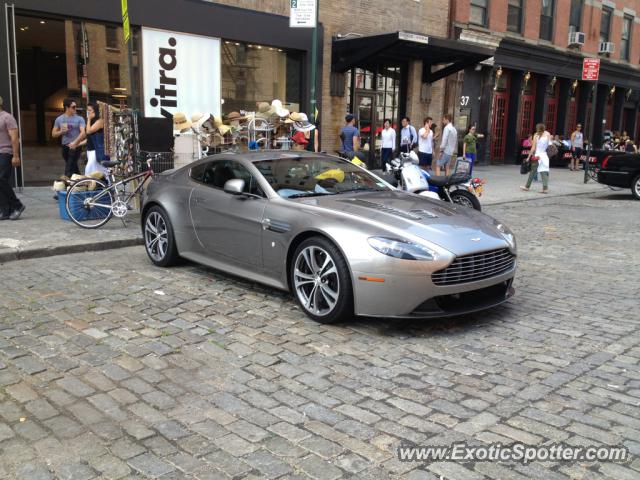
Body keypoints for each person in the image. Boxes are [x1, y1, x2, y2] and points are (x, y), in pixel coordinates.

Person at [0, 96, 25, 220]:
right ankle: (5, 210)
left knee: (2, 179)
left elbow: (15, 138)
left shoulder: (7, 117)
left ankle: (17, 205)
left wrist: (15, 155)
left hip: (6, 152)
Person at [70, 102, 109, 176]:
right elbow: (89, 138)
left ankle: (106, 184)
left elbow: (88, 131)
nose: (88, 112)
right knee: (96, 172)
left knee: (90, 170)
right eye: (87, 110)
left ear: (95, 111)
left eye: (90, 110)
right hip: (90, 150)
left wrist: (88, 119)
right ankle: (101, 184)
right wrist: (77, 144)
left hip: (96, 151)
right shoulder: (92, 122)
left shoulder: (100, 121)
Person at [52, 98, 85, 179]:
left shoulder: (79, 119)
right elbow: (53, 134)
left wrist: (75, 143)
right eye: (73, 107)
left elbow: (83, 132)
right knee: (72, 165)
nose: (75, 108)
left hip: (76, 145)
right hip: (65, 145)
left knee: (69, 166)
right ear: (67, 108)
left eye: (75, 107)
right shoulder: (59, 119)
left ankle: (65, 181)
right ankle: (81, 182)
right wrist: (61, 132)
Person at [521, 123, 551, 194]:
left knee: (533, 171)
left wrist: (529, 157)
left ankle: (527, 187)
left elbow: (533, 147)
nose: (538, 132)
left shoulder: (536, 135)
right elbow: (550, 145)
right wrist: (529, 156)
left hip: (538, 156)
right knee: (543, 171)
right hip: (543, 156)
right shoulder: (547, 134)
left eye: (539, 131)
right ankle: (545, 188)